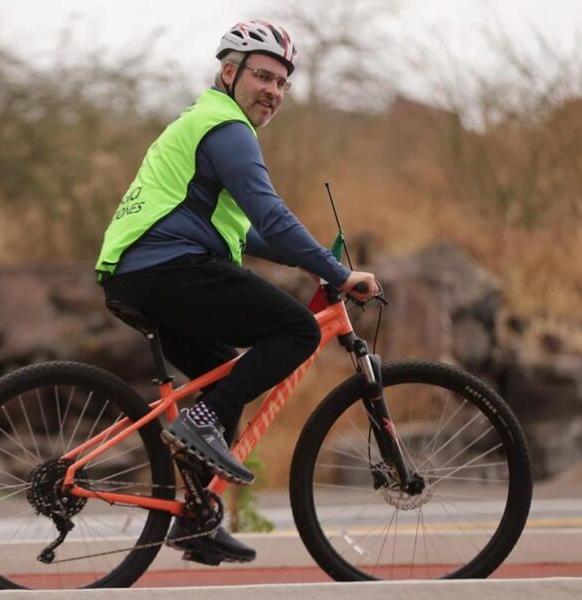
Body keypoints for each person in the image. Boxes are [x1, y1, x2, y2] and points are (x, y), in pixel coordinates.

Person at [95, 20, 379, 564]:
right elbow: (270, 212)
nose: (273, 91)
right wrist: (338, 275)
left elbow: (246, 232)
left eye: (282, 83)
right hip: (166, 267)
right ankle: (202, 427)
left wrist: (319, 261)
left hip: (139, 270)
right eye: (264, 77)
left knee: (226, 371)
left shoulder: (204, 125)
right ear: (230, 72)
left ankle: (197, 522)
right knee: (295, 330)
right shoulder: (226, 128)